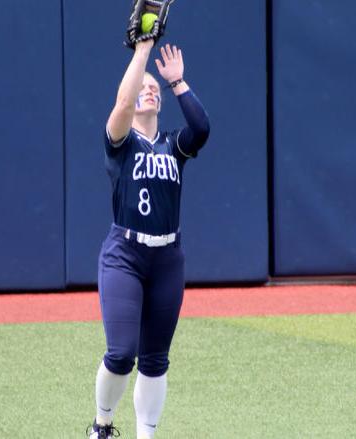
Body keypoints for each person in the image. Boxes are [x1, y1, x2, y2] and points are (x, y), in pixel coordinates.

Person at [87, 39, 210, 439]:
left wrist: (177, 83)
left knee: (156, 360)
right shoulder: (120, 142)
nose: (150, 89)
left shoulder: (173, 145)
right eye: (144, 86)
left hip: (167, 259)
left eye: (154, 88)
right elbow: (123, 105)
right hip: (125, 254)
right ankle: (102, 424)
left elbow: (202, 129)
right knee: (122, 354)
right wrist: (142, 52)